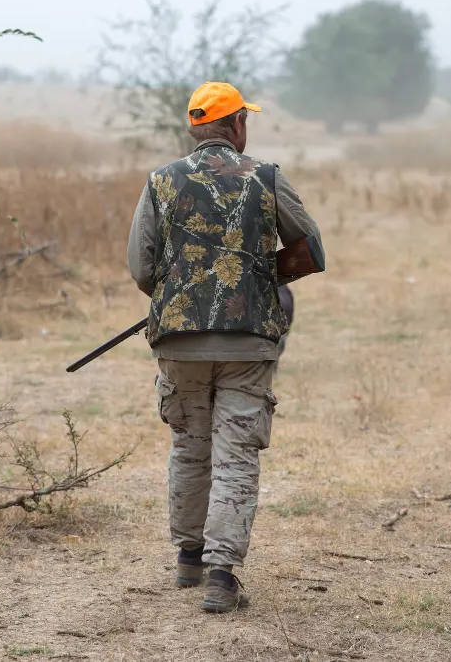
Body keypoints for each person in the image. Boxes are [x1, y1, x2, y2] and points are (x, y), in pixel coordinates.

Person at [127, 81, 326, 613]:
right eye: (245, 120)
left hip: (178, 340)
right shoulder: (266, 176)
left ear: (196, 129)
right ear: (236, 125)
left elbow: (142, 268)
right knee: (237, 455)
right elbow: (309, 250)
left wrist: (183, 294)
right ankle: (220, 577)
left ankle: (188, 559)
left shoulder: (160, 182)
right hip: (248, 344)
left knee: (189, 447)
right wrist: (257, 278)